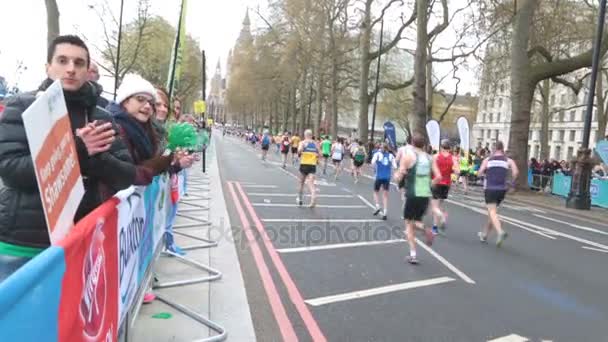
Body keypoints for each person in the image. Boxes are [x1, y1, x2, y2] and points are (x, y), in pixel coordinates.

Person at [0, 35, 136, 281]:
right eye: (62, 61)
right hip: (23, 243)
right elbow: (10, 169)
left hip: (80, 239)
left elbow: (126, 176)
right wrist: (79, 150)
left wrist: (95, 158)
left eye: (79, 63)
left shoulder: (101, 117)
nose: (71, 69)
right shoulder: (22, 106)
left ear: (87, 70)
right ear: (48, 67)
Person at [106, 74, 181, 186]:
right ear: (125, 101)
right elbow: (123, 174)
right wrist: (160, 163)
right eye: (140, 99)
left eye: (150, 103)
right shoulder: (113, 129)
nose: (147, 106)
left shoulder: (146, 129)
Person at [394, 133, 441, 264]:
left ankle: (413, 254)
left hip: (412, 193)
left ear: (412, 144)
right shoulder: (430, 158)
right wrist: (429, 185)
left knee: (409, 224)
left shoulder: (408, 157)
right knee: (417, 221)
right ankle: (426, 231)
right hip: (425, 194)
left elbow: (399, 176)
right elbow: (438, 177)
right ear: (424, 145)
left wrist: (397, 175)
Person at [477, 141, 519, 247]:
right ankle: (484, 234)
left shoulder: (488, 160)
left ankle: (500, 232)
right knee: (493, 213)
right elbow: (515, 172)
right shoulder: (508, 160)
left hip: (490, 188)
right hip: (502, 189)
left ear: (494, 149)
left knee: (492, 212)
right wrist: (511, 183)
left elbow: (480, 172)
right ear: (503, 149)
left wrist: (482, 174)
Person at [430, 139, 454, 235]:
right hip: (446, 184)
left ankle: (442, 217)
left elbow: (430, 169)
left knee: (434, 207)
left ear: (441, 147)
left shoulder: (435, 157)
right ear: (449, 148)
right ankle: (435, 227)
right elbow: (455, 171)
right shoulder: (452, 158)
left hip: (436, 182)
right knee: (438, 206)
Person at [371, 143, 397, 220]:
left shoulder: (377, 154)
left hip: (379, 176)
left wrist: (374, 169)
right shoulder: (391, 156)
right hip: (387, 177)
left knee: (375, 192)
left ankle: (377, 206)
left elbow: (372, 163)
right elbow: (395, 166)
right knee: (385, 195)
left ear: (381, 148)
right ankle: (385, 212)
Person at [297, 129, 320, 207]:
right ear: (311, 135)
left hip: (304, 164)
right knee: (311, 183)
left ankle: (300, 199)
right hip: (312, 165)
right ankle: (313, 197)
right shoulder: (316, 143)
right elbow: (320, 154)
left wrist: (302, 151)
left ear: (305, 135)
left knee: (301, 182)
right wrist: (316, 157)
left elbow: (299, 151)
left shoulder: (302, 142)